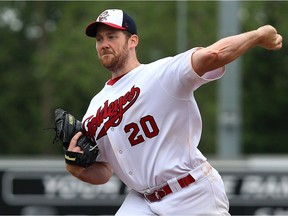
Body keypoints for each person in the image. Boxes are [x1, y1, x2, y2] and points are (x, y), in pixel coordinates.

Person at [66, 9, 282, 215]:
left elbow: (213, 55)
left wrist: (258, 35)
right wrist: (76, 167)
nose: (104, 44)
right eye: (99, 39)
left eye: (112, 36)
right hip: (142, 201)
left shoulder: (160, 75)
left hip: (191, 192)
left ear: (133, 41)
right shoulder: (95, 107)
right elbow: (104, 172)